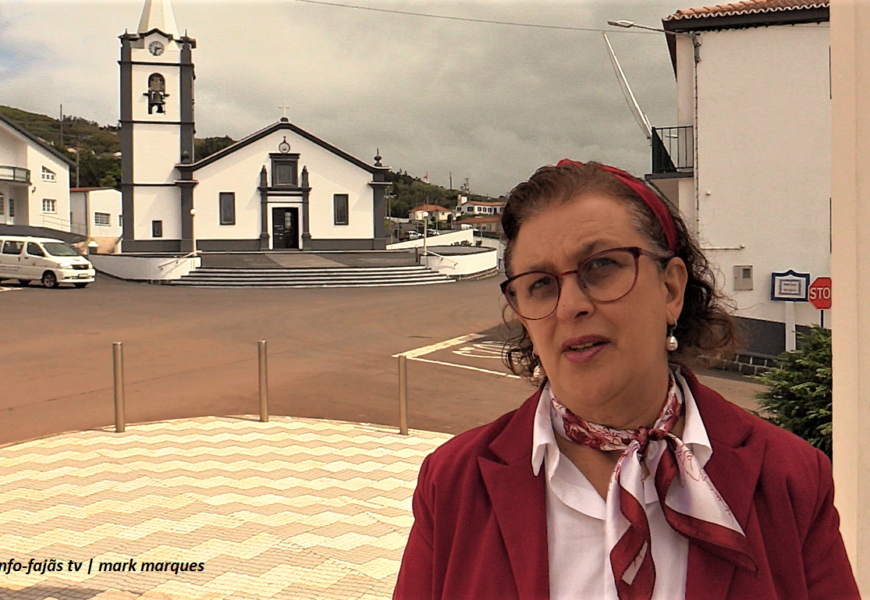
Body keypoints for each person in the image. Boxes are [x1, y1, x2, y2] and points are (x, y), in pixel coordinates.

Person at [393, 160, 860, 600]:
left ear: (671, 289)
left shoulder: (790, 478)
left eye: (601, 266)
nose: (570, 304)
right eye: (540, 283)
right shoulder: (453, 483)